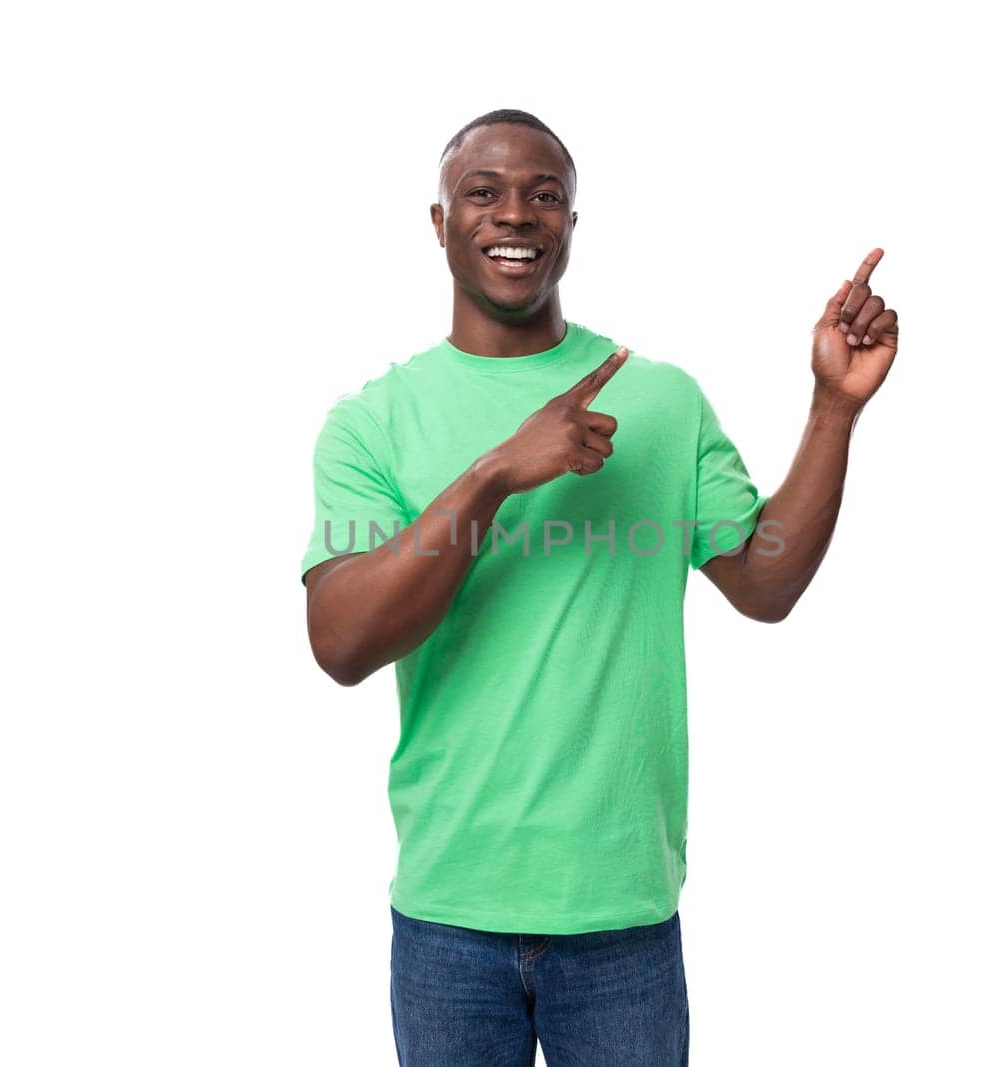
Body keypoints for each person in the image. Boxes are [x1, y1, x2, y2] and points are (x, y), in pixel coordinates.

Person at [300, 108, 900, 1065]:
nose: (517, 215)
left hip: (622, 912)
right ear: (439, 221)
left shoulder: (660, 398)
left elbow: (766, 579)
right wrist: (497, 470)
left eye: (545, 196)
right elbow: (340, 642)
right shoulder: (374, 422)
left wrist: (833, 409)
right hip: (451, 910)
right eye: (484, 193)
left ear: (572, 224)